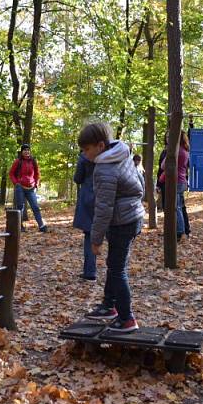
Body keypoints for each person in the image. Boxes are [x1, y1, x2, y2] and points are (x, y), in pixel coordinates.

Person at [79, 122, 145, 333]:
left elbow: (104, 208)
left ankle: (126, 319)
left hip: (122, 221)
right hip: (132, 216)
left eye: (86, 149)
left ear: (100, 146)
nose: (84, 154)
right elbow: (140, 184)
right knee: (115, 264)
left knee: (117, 270)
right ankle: (109, 305)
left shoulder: (104, 169)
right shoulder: (122, 153)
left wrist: (95, 239)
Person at [158, 131, 191, 239]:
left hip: (176, 181)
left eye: (170, 137)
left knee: (176, 208)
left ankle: (180, 232)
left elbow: (163, 166)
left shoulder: (176, 150)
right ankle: (181, 231)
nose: (168, 139)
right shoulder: (184, 149)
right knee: (179, 207)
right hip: (182, 181)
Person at [9, 144, 48, 232]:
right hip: (20, 188)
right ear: (22, 152)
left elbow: (37, 174)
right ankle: (20, 227)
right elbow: (11, 173)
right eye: (25, 150)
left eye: (28, 150)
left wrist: (36, 185)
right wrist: (16, 183)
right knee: (20, 207)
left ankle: (41, 226)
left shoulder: (33, 161)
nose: (27, 152)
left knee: (35, 207)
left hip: (31, 188)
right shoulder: (18, 161)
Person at [73, 151, 96, 281]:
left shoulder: (84, 156)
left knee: (89, 234)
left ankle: (90, 271)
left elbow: (77, 178)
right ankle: (116, 273)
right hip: (106, 196)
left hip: (89, 196)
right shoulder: (109, 153)